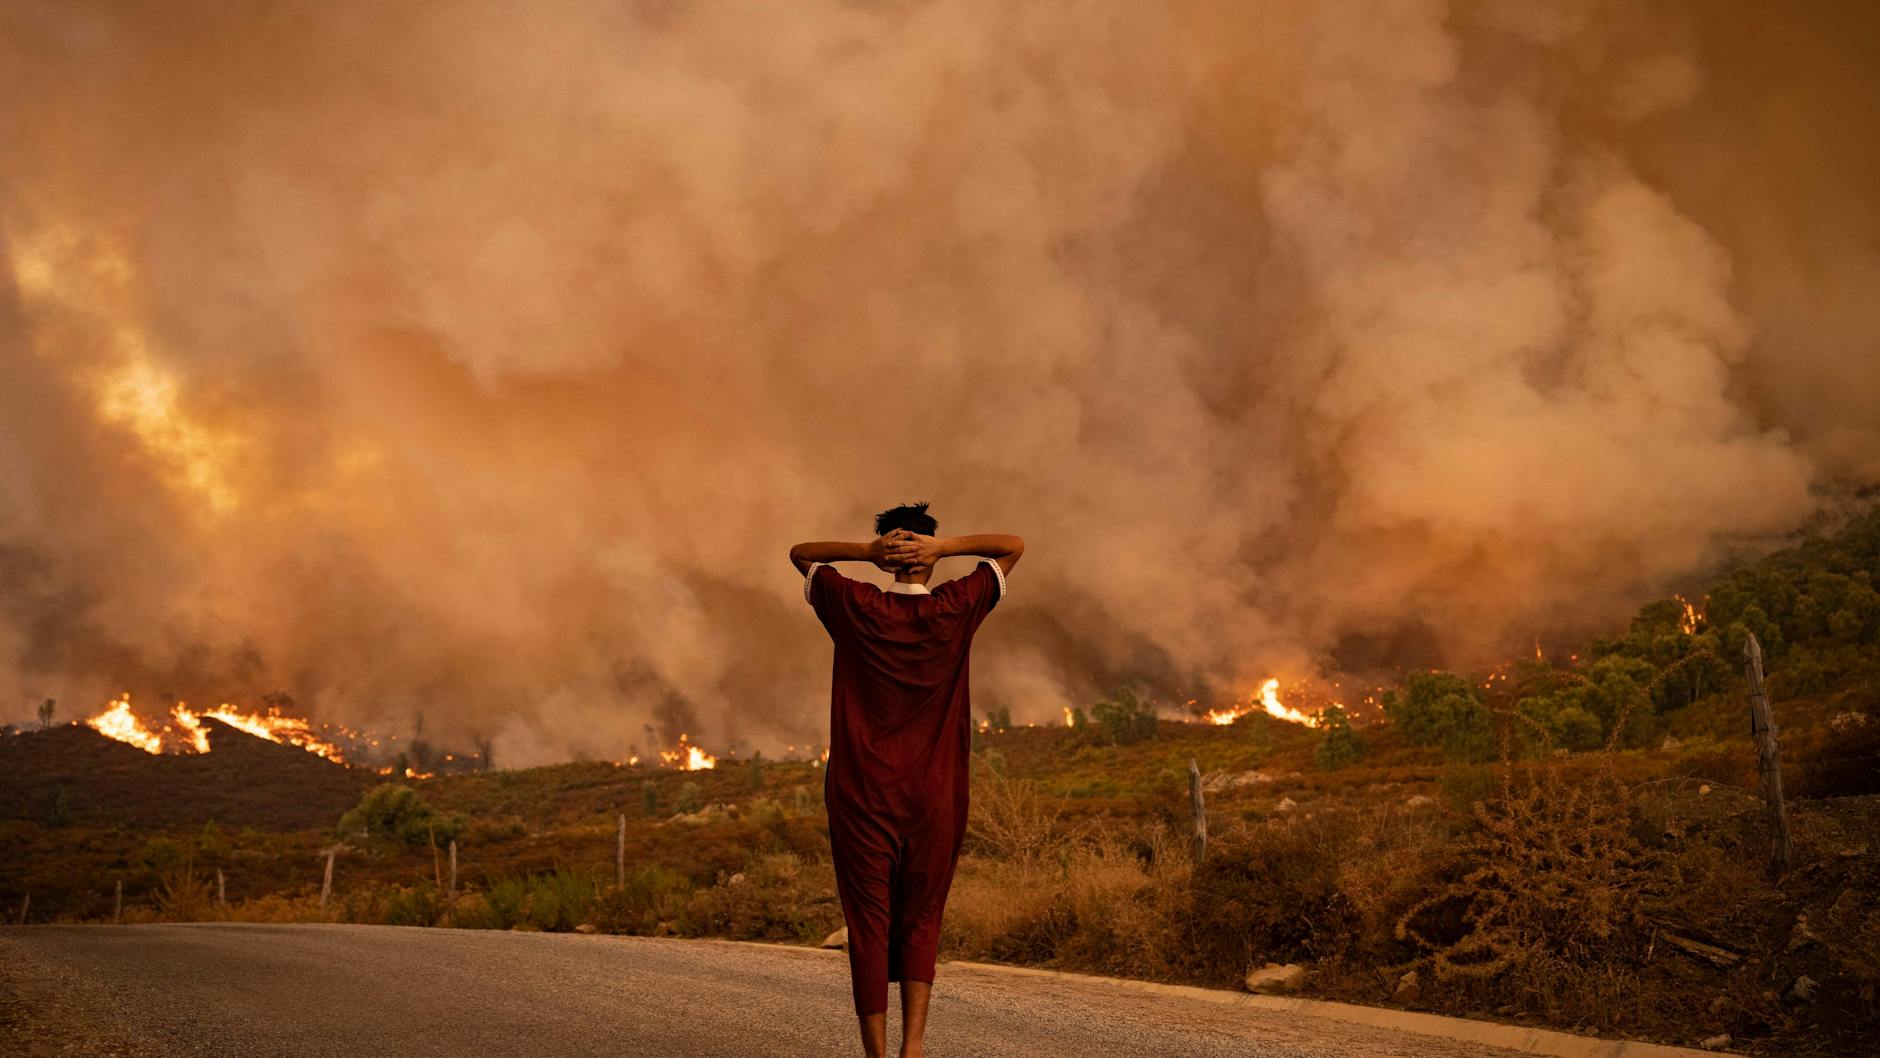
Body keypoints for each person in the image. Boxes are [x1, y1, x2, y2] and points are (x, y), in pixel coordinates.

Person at [790, 502, 1024, 1058]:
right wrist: (944, 548)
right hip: (934, 795)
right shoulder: (956, 607)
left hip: (861, 795)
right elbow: (1012, 545)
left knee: (867, 921)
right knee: (922, 916)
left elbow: (801, 555)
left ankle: (876, 1054)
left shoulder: (854, 604)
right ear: (927, 557)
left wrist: (868, 554)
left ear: (891, 559)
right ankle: (913, 1048)